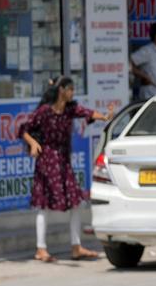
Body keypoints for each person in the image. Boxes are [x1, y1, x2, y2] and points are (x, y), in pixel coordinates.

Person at [18, 77, 110, 263]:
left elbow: (87, 112)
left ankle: (76, 247)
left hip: (63, 161)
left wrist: (105, 117)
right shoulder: (44, 111)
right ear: (61, 90)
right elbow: (23, 130)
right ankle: (41, 249)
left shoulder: (70, 109)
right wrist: (33, 143)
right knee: (44, 204)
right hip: (46, 161)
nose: (72, 93)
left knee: (75, 202)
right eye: (70, 89)